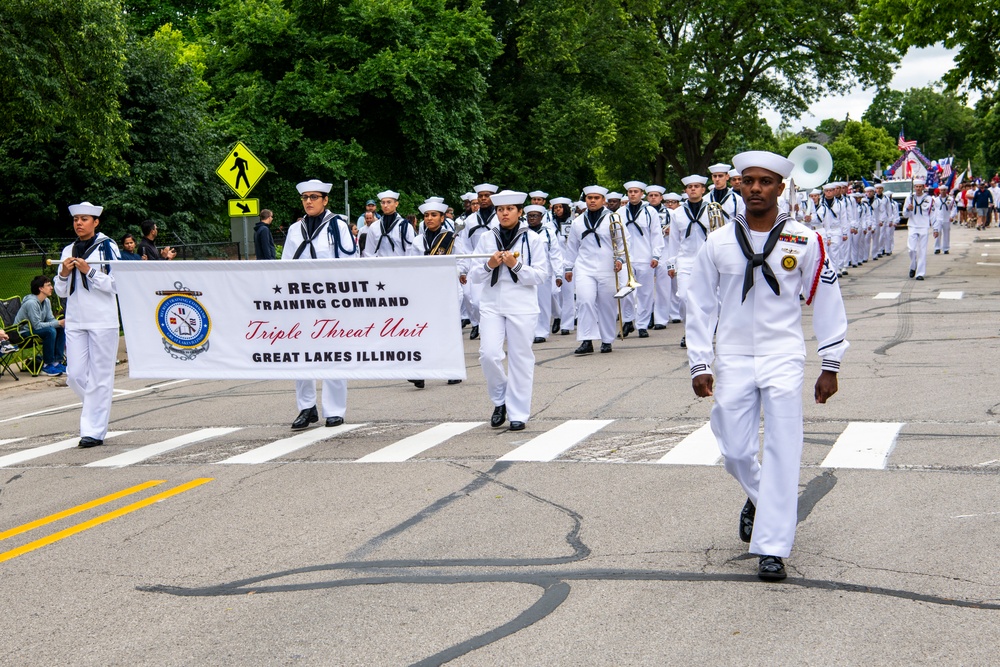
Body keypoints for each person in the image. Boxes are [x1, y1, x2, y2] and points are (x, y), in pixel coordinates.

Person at [686, 151, 848, 581]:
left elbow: (828, 299)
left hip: (783, 356)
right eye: (748, 180)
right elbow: (699, 305)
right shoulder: (718, 241)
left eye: (765, 181)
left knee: (783, 448)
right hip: (734, 356)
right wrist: (699, 361)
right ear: (738, 185)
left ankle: (773, 546)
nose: (755, 188)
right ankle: (761, 498)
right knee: (735, 448)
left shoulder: (804, 239)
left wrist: (829, 362)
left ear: (780, 187)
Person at [469, 191, 547, 430]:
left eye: (510, 209)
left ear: (520, 212)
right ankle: (500, 399)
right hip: (492, 302)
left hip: (521, 303)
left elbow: (541, 276)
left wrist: (517, 266)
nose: (504, 213)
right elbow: (473, 274)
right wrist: (488, 264)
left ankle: (518, 413)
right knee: (489, 354)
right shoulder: (486, 238)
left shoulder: (532, 239)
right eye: (500, 210)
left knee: (520, 358)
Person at [283, 179, 357, 429]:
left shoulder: (337, 226)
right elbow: (285, 266)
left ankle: (334, 409)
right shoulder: (296, 229)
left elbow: (350, 262)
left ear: (325, 200)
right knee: (300, 355)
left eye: (314, 197)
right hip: (300, 299)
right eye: (305, 197)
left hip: (331, 300)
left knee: (334, 352)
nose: (308, 201)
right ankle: (306, 407)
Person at [53, 202, 121, 448]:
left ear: (96, 222)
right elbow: (61, 290)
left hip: (103, 319)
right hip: (75, 318)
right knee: (75, 374)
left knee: (101, 375)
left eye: (84, 219)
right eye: (76, 219)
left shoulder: (107, 246)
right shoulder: (68, 249)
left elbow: (117, 284)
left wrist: (90, 272)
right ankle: (97, 405)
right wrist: (62, 274)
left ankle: (92, 431)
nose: (79, 223)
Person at [406, 199, 463, 389]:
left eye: (433, 215)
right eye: (426, 215)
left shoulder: (452, 237)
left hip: (447, 288)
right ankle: (420, 372)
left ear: (441, 217)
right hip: (424, 290)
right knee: (422, 331)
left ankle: (452, 370)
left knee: (447, 331)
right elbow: (412, 265)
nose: (429, 219)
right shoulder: (417, 240)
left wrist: (449, 272)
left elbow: (463, 263)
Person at [563, 186, 627, 354]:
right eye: (589, 197)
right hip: (585, 268)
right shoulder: (577, 222)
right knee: (585, 301)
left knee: (607, 305)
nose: (592, 200)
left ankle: (607, 340)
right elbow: (572, 247)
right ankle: (586, 339)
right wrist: (568, 267)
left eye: (596, 197)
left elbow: (624, 242)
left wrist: (620, 260)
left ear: (603, 200)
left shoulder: (614, 218)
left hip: (608, 267)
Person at [666, 175, 712, 348]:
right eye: (690, 186)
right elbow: (673, 241)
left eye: (697, 186)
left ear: (703, 190)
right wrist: (672, 263)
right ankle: (689, 331)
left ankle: (705, 332)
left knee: (707, 299)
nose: (693, 189)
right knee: (684, 297)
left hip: (707, 260)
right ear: (685, 191)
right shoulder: (677, 213)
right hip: (685, 260)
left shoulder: (712, 209)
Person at [618, 181, 664, 338]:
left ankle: (642, 324)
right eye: (630, 191)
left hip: (645, 257)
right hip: (626, 258)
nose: (632, 194)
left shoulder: (650, 211)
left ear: (641, 194)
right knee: (626, 291)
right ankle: (628, 320)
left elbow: (656, 233)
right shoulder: (620, 212)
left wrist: (656, 255)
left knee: (645, 293)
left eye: (635, 191)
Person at [457, 183, 500, 341]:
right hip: (476, 265)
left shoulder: (498, 218)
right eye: (480, 196)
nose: (483, 199)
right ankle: (478, 324)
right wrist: (463, 269)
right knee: (474, 300)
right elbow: (464, 246)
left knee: (494, 301)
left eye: (486, 196)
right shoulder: (470, 220)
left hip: (497, 264)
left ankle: (490, 332)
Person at [524, 204, 564, 343]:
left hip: (544, 273)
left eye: (535, 216)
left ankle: (541, 331)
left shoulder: (548, 232)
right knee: (527, 302)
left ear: (541, 217)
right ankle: (529, 331)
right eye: (529, 216)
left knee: (543, 303)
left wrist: (559, 274)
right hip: (526, 273)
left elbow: (555, 254)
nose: (532, 218)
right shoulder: (523, 232)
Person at [15, 275, 65, 376]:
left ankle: (56, 362)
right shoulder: (31, 303)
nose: (51, 287)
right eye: (48, 285)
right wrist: (58, 322)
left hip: (35, 330)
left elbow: (50, 319)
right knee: (50, 331)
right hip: (21, 334)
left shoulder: (46, 301)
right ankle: (47, 365)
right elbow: (37, 326)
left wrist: (60, 323)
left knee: (59, 328)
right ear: (41, 288)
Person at [363, 190, 415, 257]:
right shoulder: (374, 227)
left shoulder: (405, 226)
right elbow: (369, 252)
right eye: (383, 202)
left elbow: (410, 251)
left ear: (396, 204)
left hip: (400, 265)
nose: (385, 205)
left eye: (389, 202)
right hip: (380, 265)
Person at [903, 182, 933, 280]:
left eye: (920, 187)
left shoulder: (929, 199)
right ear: (914, 187)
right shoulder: (909, 198)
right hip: (912, 225)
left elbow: (932, 214)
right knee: (911, 249)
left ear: (923, 187)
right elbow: (905, 215)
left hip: (924, 226)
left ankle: (920, 273)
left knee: (922, 251)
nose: (918, 188)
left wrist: (935, 228)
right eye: (916, 187)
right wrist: (908, 209)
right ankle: (913, 265)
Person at [932, 187, 953, 255]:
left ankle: (946, 248)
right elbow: (933, 209)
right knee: (937, 233)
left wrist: (952, 216)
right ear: (939, 191)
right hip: (938, 218)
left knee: (946, 234)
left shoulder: (950, 199)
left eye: (944, 190)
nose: (943, 191)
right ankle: (937, 248)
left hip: (947, 218)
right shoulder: (936, 200)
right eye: (941, 190)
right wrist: (933, 219)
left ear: (946, 191)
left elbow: (954, 208)